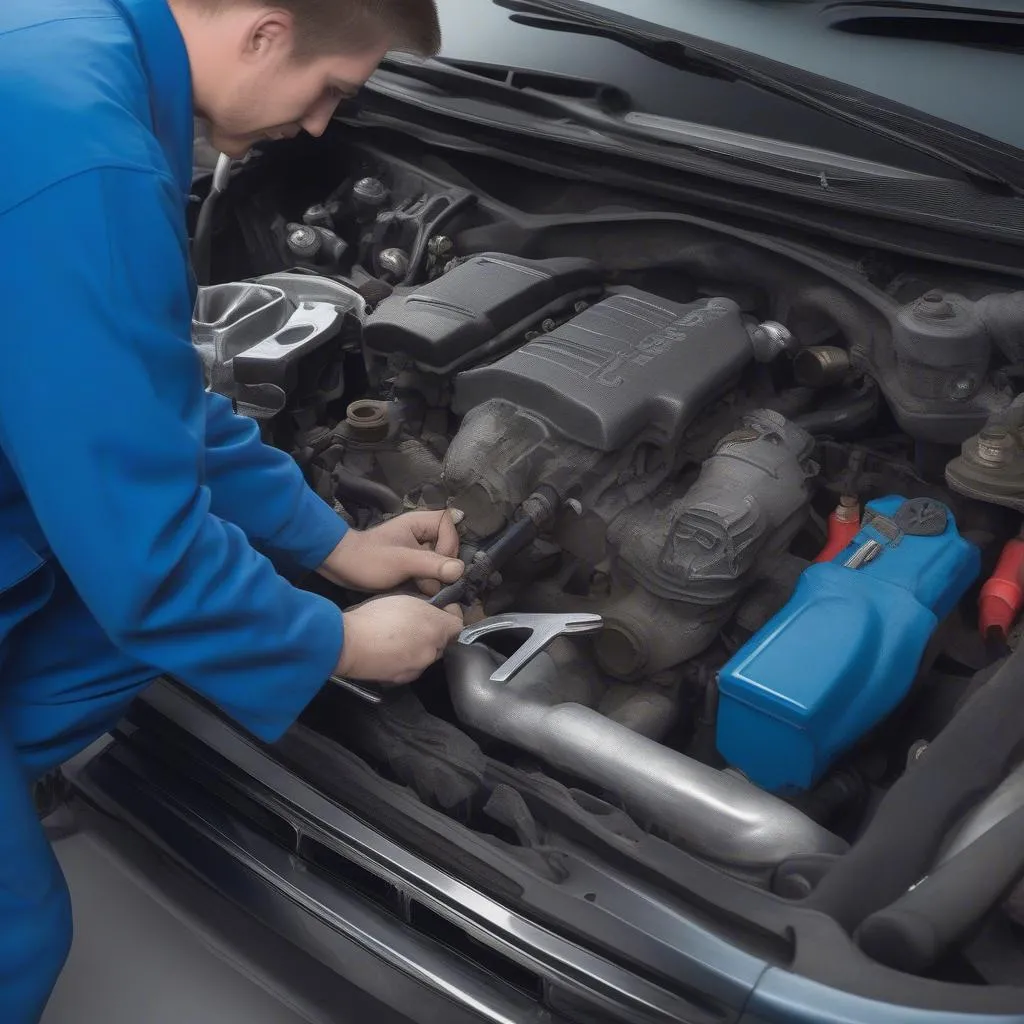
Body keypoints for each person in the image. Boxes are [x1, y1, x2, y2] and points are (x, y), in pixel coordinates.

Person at [0, 0, 458, 1018]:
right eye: (332, 89)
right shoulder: (90, 165)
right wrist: (335, 645)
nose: (321, 128)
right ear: (262, 30)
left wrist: (332, 544)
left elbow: (147, 398)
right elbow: (149, 558)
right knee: (16, 926)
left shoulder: (65, 41)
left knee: (169, 608)